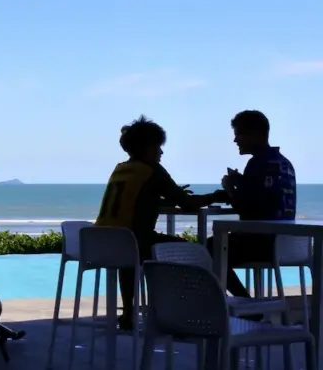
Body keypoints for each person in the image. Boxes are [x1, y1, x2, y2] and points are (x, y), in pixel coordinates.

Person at [95, 116, 219, 329]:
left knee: (130, 255)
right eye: (158, 147)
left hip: (105, 243)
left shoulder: (121, 169)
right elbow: (188, 204)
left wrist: (161, 197)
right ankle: (221, 307)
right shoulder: (152, 170)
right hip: (134, 242)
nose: (161, 152)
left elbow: (135, 197)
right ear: (148, 147)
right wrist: (216, 195)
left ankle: (128, 313)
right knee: (201, 252)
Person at [205, 110, 296, 298]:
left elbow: (245, 209)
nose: (235, 140)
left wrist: (229, 187)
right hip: (288, 244)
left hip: (263, 244)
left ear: (254, 134)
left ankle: (244, 302)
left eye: (239, 134)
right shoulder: (283, 163)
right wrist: (243, 182)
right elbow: (265, 196)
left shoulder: (258, 163)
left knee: (209, 248)